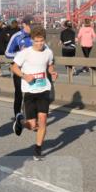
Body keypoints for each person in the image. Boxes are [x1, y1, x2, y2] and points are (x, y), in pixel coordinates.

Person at [11, 26, 58, 161]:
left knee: (43, 121)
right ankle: (20, 121)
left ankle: (38, 149)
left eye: (41, 41)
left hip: (43, 90)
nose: (39, 44)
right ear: (32, 40)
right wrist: (24, 76)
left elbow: (49, 65)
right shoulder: (25, 53)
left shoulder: (48, 52)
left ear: (44, 40)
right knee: (32, 125)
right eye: (36, 41)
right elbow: (13, 67)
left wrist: (52, 72)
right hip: (30, 92)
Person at [5, 16, 35, 119]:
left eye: (33, 25)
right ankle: (17, 116)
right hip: (19, 70)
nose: (32, 28)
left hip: (32, 70)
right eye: (30, 25)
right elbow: (7, 53)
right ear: (24, 25)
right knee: (19, 94)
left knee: (31, 93)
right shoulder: (17, 36)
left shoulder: (36, 36)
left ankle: (31, 118)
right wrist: (20, 54)